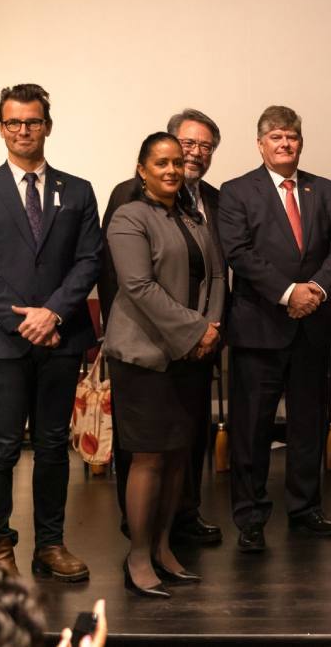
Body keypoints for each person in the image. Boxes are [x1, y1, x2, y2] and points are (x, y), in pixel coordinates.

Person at [0, 84, 102, 581]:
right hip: (1, 340)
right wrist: (24, 320)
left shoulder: (76, 190)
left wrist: (53, 314)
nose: (23, 131)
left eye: (32, 122)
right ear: (0, 128)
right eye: (13, 122)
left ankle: (51, 545)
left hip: (61, 337)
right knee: (0, 448)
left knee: (55, 445)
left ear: (47, 127)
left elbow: (88, 260)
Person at [218, 105, 331, 552]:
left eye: (291, 136)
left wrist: (314, 290)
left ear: (301, 142)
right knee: (251, 429)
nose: (284, 143)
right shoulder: (236, 192)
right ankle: (251, 519)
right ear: (260, 144)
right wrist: (288, 292)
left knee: (309, 424)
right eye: (275, 136)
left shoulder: (325, 190)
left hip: (312, 325)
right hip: (259, 328)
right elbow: (238, 252)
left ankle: (305, 508)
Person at [103, 132, 224, 597]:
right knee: (149, 457)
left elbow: (215, 273)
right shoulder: (129, 217)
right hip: (146, 356)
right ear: (142, 170)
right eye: (161, 163)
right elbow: (138, 286)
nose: (172, 170)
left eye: (177, 163)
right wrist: (196, 330)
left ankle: (164, 546)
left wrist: (209, 328)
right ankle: (137, 553)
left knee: (178, 458)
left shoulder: (193, 217)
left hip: (192, 355)